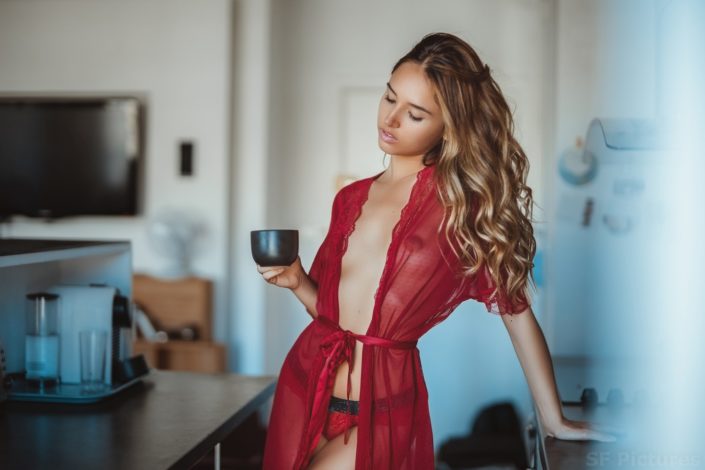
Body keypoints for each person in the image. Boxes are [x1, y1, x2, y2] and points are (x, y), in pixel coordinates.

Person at [256, 32, 614, 470]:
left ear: (448, 127)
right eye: (390, 99)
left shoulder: (461, 209)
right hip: (306, 385)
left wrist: (553, 418)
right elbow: (333, 319)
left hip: (382, 412)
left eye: (415, 114)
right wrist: (296, 282)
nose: (391, 119)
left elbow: (517, 314)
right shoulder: (349, 198)